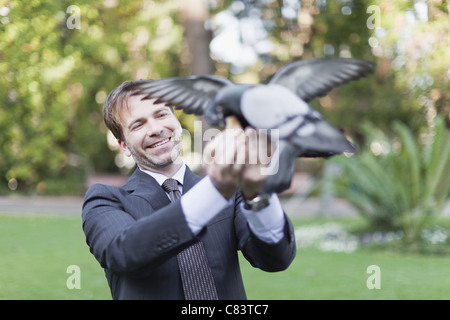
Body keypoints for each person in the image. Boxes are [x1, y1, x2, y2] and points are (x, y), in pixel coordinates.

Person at [82, 80, 296, 300]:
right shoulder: (105, 200)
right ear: (124, 145)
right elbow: (124, 253)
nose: (156, 129)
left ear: (177, 121)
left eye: (162, 114)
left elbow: (276, 259)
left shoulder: (235, 191)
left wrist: (258, 192)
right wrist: (217, 189)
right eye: (138, 125)